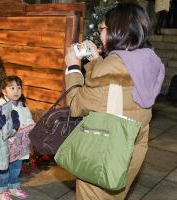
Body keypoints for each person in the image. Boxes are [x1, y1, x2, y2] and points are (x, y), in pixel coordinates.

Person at [64, 3, 165, 200]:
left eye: (102, 28)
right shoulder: (147, 60)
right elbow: (114, 86)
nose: (100, 33)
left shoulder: (110, 69)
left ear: (116, 31)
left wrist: (73, 69)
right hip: (130, 153)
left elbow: (76, 105)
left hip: (103, 155)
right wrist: (95, 60)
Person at [0, 76, 35, 200]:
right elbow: (2, 126)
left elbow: (28, 118)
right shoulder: (1, 107)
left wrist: (30, 125)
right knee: (4, 168)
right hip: (7, 143)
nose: (16, 91)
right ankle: (1, 191)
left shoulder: (22, 105)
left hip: (20, 143)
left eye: (19, 88)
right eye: (12, 88)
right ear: (4, 91)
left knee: (16, 167)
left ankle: (13, 187)